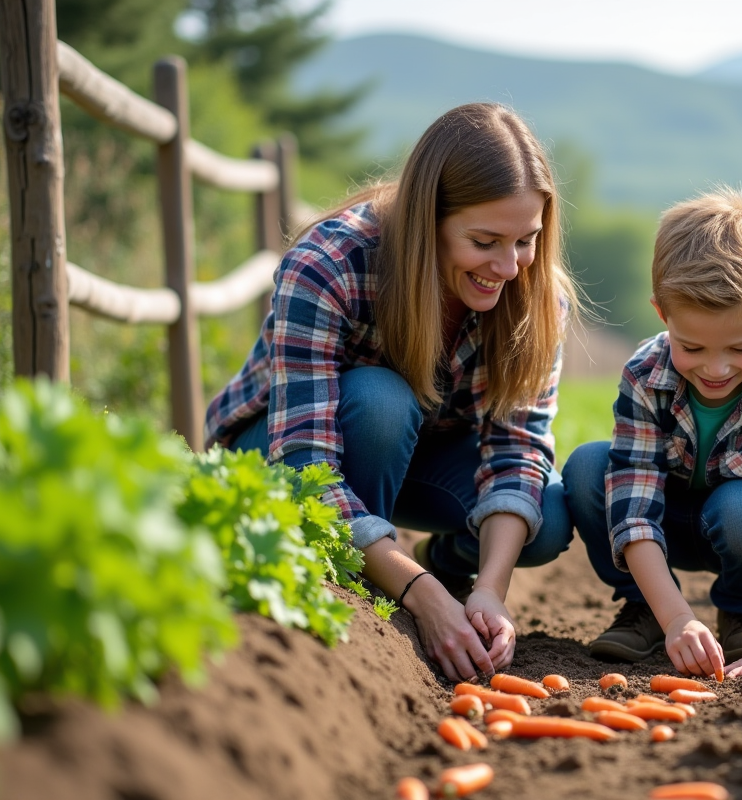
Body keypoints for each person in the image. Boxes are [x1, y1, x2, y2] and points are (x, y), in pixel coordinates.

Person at [204, 103, 580, 683]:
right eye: (484, 241)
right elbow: (307, 467)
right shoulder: (329, 264)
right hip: (284, 455)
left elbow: (518, 448)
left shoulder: (535, 295)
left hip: (414, 459)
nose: (508, 267)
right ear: (428, 220)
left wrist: (491, 588)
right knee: (381, 400)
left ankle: (430, 567)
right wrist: (420, 596)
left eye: (526, 240)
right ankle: (365, 585)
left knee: (547, 515)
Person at [562, 188, 742, 680]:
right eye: (691, 346)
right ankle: (645, 608)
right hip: (661, 525)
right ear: (662, 315)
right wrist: (678, 618)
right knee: (588, 467)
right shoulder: (645, 374)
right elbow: (633, 503)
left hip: (739, 532)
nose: (716, 368)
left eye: (739, 346)